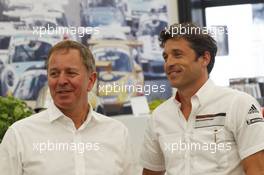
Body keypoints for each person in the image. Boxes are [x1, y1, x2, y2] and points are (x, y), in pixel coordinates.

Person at [140, 23, 264, 175]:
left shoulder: (238, 104)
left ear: (204, 58)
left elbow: (258, 169)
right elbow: (151, 172)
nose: (169, 63)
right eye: (166, 57)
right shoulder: (159, 116)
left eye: (177, 54)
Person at [0, 40, 136, 175]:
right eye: (54, 74)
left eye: (71, 73)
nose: (61, 81)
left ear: (91, 81)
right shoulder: (19, 136)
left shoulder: (117, 134)